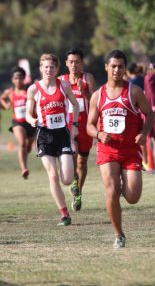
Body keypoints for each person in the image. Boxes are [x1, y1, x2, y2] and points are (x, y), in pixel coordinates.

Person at [87, 50, 155, 249]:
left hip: (130, 151)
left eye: (120, 66)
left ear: (125, 69)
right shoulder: (97, 96)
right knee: (111, 190)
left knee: (133, 197)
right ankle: (119, 235)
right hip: (107, 150)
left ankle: (121, 188)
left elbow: (149, 115)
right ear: (106, 67)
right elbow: (89, 126)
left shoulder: (134, 92)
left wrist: (143, 133)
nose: (117, 70)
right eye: (113, 66)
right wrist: (99, 134)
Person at [25, 53, 80, 226]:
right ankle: (64, 214)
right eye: (45, 67)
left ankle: (74, 183)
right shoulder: (33, 89)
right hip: (44, 136)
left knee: (67, 179)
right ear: (41, 68)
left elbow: (75, 104)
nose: (49, 70)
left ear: (57, 69)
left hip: (62, 135)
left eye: (52, 67)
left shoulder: (64, 85)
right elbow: (27, 113)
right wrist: (31, 119)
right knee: (53, 176)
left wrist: (75, 124)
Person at [60, 48, 96, 211]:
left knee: (82, 162)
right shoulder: (62, 80)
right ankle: (73, 181)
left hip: (85, 126)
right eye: (71, 62)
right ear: (66, 63)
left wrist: (84, 92)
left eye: (77, 61)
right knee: (72, 154)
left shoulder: (87, 78)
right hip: (68, 126)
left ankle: (78, 192)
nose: (74, 65)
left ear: (82, 63)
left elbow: (95, 102)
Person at [0, 66, 36, 179]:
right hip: (17, 122)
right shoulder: (10, 92)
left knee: (28, 146)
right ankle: (24, 168)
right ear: (12, 79)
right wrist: (6, 105)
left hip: (30, 122)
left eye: (20, 78)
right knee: (21, 143)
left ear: (24, 78)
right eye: (15, 78)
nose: (18, 80)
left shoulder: (29, 91)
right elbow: (1, 98)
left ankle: (28, 148)